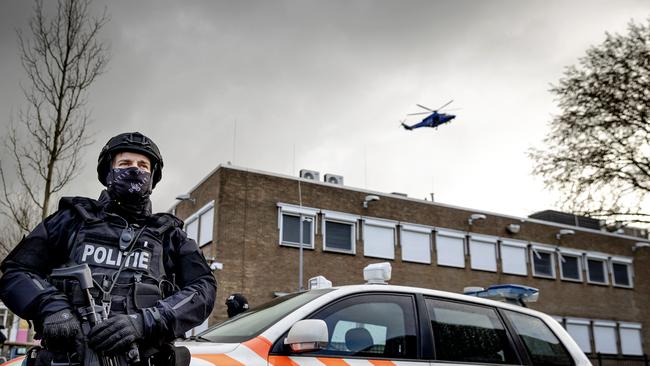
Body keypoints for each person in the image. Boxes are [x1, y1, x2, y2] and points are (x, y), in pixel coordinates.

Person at [0, 132, 217, 365]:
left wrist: (145, 322)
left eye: (143, 165)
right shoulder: (72, 220)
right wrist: (51, 307)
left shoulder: (169, 235)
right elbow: (16, 271)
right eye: (125, 163)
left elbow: (203, 288)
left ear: (152, 177)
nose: (135, 170)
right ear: (108, 172)